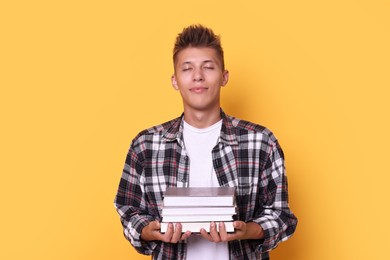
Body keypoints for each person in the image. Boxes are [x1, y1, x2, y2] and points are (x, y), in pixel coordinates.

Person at [114, 24, 297, 260]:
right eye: (187, 69)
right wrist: (148, 231)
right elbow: (128, 211)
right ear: (175, 80)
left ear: (224, 77)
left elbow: (282, 216)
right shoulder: (145, 145)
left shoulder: (261, 142)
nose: (198, 76)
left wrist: (247, 230)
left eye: (208, 67)